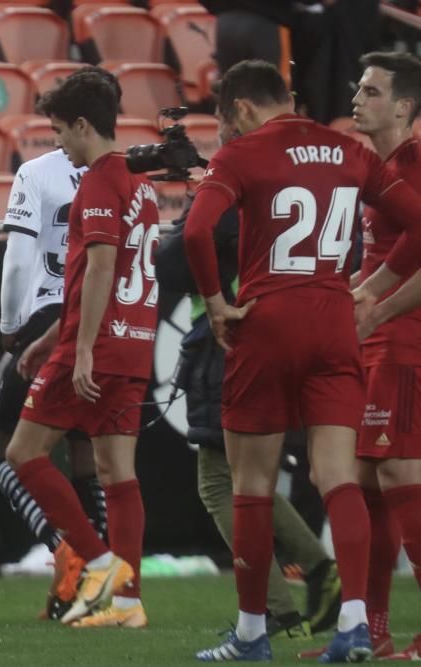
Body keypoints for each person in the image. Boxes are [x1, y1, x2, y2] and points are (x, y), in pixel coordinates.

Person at [184, 59, 421, 662]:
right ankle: (354, 625)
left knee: (252, 485)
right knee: (342, 478)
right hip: (335, 319)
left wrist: (215, 304)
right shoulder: (349, 151)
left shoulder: (241, 155)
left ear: (240, 109)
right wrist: (376, 289)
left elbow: (194, 231)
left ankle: (252, 635)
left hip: (267, 318)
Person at [154, 107, 341, 641]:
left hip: (229, 339)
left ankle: (284, 598)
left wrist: (189, 214)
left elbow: (173, 266)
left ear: (236, 123)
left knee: (223, 482)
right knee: (246, 479)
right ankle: (299, 585)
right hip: (279, 332)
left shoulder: (235, 184)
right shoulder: (297, 179)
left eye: (219, 127)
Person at [4, 71, 159, 629]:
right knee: (119, 475)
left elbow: (98, 267)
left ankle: (99, 565)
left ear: (84, 125)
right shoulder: (140, 185)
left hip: (96, 346)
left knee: (23, 454)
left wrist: (81, 347)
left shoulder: (96, 182)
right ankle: (127, 604)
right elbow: (108, 273)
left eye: (61, 132)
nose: (59, 144)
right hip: (136, 342)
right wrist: (48, 337)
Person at [303, 50, 421, 661]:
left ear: (404, 106)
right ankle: (372, 631)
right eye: (357, 88)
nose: (356, 98)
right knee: (371, 483)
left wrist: (375, 302)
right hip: (376, 334)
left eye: (372, 91)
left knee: (402, 475)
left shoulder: (415, 162)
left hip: (404, 338)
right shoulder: (374, 166)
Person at [0, 67, 120, 621]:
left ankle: (71, 551)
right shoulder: (126, 175)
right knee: (93, 459)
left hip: (51, 316)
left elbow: (20, 258)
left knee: (8, 454)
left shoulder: (39, 172)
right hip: (109, 324)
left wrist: (9, 325)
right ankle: (106, 576)